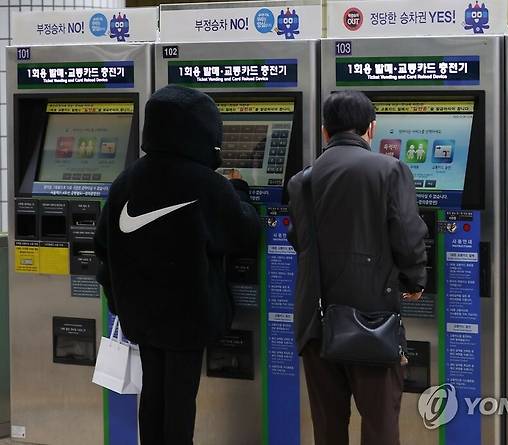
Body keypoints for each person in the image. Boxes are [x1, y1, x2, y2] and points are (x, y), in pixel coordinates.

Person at [94, 85, 260, 445]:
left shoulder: (126, 181)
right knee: (181, 400)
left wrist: (120, 298)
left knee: (153, 392)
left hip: (140, 313)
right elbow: (244, 232)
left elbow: (102, 245)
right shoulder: (206, 184)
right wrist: (240, 191)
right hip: (188, 315)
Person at [286, 91, 428, 445]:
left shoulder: (302, 180)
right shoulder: (390, 169)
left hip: (316, 322)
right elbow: (407, 234)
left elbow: (299, 239)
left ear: (325, 132)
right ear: (371, 129)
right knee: (380, 425)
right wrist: (414, 280)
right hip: (372, 322)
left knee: (328, 428)